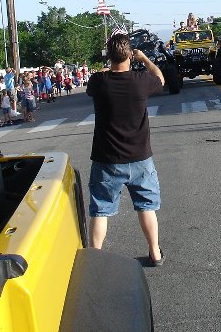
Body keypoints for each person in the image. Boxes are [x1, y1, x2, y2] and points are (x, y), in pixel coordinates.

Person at [86, 33, 166, 267]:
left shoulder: (98, 82)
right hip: (140, 157)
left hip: (107, 158)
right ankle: (155, 253)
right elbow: (160, 79)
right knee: (147, 207)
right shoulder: (141, 80)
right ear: (131, 55)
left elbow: (96, 81)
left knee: (101, 210)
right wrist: (145, 60)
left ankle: (96, 260)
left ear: (108, 55)